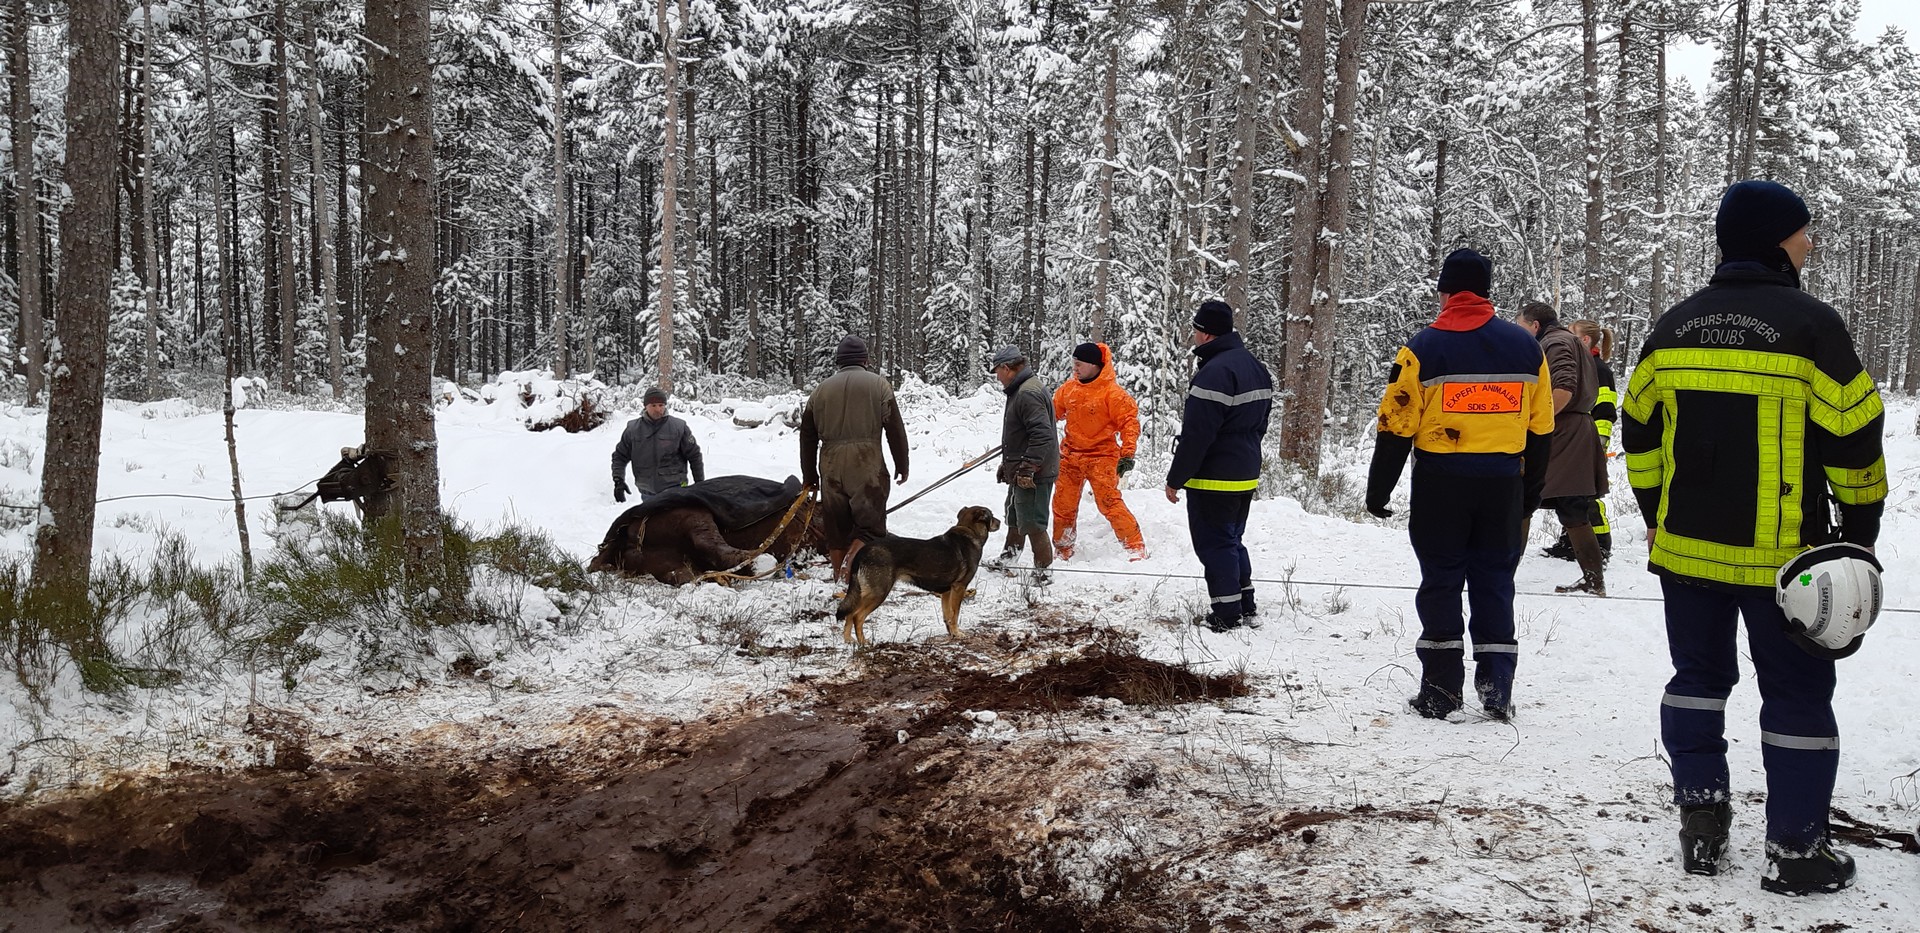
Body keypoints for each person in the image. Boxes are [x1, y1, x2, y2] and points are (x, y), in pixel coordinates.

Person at [1621, 180, 1885, 894]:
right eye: (1802, 232)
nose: (1810, 244)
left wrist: (1656, 513)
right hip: (1788, 566)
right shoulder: (1812, 326)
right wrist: (1859, 536)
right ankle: (1797, 851)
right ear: (1775, 241)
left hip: (1686, 555)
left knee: (1696, 683)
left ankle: (1700, 821)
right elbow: (1856, 439)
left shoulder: (1674, 325)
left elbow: (1638, 431)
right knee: (1797, 697)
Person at [1366, 249, 1552, 720]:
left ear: (1445, 293)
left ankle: (1440, 693)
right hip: (1503, 484)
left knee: (1442, 582)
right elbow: (1542, 428)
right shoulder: (1527, 348)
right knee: (1495, 582)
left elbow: (1396, 424)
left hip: (1441, 485)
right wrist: (1529, 495)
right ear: (1487, 291)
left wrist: (1379, 490)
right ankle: (1497, 690)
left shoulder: (1423, 347)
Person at [1164, 300, 1273, 633]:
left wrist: (1176, 478)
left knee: (1215, 544)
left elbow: (1197, 435)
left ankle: (1226, 614)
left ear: (1207, 334)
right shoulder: (1254, 366)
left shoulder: (1213, 374)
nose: (1194, 336)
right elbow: (1261, 423)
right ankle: (1244, 603)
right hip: (1245, 472)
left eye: (1196, 330)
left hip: (1213, 477)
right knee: (1232, 540)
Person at [799, 335, 910, 583]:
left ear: (838, 361)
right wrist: (902, 463)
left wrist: (809, 475)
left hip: (830, 464)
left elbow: (807, 436)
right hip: (866, 462)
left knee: (836, 527)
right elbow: (894, 428)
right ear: (865, 360)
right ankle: (850, 567)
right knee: (871, 526)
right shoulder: (879, 385)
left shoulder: (820, 390)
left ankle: (840, 579)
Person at [1518, 301, 1609, 596]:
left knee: (1523, 501)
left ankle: (1501, 577)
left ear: (1535, 325)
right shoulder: (1568, 340)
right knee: (1572, 509)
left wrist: (1532, 422)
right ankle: (1594, 581)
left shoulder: (1555, 342)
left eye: (1521, 326)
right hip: (1573, 431)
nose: (1520, 333)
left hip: (1561, 433)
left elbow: (1564, 388)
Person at [1051, 341, 1146, 561]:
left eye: (1079, 364)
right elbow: (1051, 414)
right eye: (1074, 363)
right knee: (1063, 504)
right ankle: (1063, 548)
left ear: (1094, 365)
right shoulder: (1068, 389)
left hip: (1102, 456)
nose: (1075, 368)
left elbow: (1129, 423)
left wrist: (1127, 453)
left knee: (1109, 503)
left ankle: (1135, 546)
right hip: (1070, 456)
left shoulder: (1113, 394)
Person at [986, 345, 1060, 584]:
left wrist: (1028, 467)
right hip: (1022, 469)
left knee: (1033, 522)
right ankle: (1009, 558)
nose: (997, 377)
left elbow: (1042, 435)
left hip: (1035, 472)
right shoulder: (1022, 389)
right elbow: (1022, 435)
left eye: (997, 371)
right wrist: (1009, 465)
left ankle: (1043, 572)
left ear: (1006, 368)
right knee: (1016, 515)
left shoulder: (1027, 393)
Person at [1545, 321, 1617, 561]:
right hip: (1578, 437)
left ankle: (1600, 543)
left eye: (1572, 333)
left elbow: (1605, 409)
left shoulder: (1599, 369)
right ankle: (1570, 543)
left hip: (1588, 439)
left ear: (1585, 340)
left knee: (1587, 496)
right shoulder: (1583, 364)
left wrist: (1601, 441)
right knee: (1570, 492)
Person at [612, 387, 705, 503]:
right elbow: (620, 456)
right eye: (653, 405)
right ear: (645, 406)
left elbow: (694, 455)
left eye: (661, 405)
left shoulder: (679, 427)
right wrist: (618, 480)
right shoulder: (633, 429)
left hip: (676, 489)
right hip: (647, 492)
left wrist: (700, 484)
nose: (658, 409)